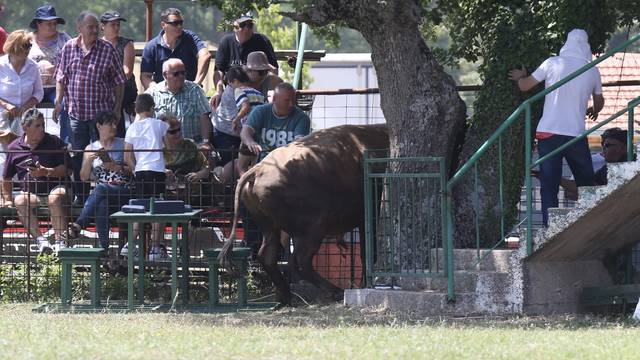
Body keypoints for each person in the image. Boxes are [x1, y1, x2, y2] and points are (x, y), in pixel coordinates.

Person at [508, 28, 604, 226]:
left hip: (548, 132)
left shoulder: (552, 63)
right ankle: (592, 224)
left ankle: (548, 228)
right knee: (587, 185)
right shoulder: (592, 70)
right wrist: (593, 109)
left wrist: (520, 77)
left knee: (549, 184)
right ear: (586, 46)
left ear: (566, 43)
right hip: (576, 135)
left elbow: (525, 86)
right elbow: (599, 102)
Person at [54, 11, 127, 204]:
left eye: (96, 26)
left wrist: (118, 108)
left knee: (103, 155)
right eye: (91, 27)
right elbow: (61, 77)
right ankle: (82, 196)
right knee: (79, 156)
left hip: (100, 116)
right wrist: (58, 102)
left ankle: (105, 196)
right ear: (80, 29)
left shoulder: (108, 49)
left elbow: (120, 81)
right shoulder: (69, 48)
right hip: (76, 114)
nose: (95, 30)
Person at [1, 108, 71, 254]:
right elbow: (6, 177)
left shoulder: (54, 141)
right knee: (19, 200)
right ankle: (41, 241)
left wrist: (45, 171)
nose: (42, 129)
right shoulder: (14, 147)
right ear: (25, 127)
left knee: (55, 197)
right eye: (37, 125)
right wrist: (7, 199)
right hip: (33, 195)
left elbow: (68, 170)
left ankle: (61, 243)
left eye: (43, 125)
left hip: (58, 188)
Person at [67, 111, 133, 250]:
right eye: (110, 124)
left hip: (124, 191)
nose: (114, 126)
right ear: (99, 126)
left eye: (115, 123)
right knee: (102, 204)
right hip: (104, 195)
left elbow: (134, 171)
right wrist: (88, 161)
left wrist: (117, 167)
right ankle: (105, 251)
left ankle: (79, 224)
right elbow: (84, 177)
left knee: (101, 188)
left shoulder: (124, 144)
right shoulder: (90, 148)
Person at [124, 94, 169, 260]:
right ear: (152, 108)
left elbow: (127, 157)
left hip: (141, 171)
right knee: (158, 209)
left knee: (141, 208)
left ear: (137, 110)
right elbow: (169, 145)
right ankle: (155, 247)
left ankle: (129, 244)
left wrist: (136, 171)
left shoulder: (132, 128)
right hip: (157, 171)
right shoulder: (160, 125)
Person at [211, 15, 278, 108]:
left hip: (258, 91)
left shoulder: (262, 40)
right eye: (243, 25)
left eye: (250, 25)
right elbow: (219, 71)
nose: (247, 29)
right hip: (233, 92)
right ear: (235, 27)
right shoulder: (226, 42)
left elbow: (273, 70)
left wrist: (271, 91)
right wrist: (218, 91)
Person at [0, 30, 44, 171]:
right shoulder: (0, 65)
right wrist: (6, 105)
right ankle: (4, 190)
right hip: (3, 118)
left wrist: (26, 106)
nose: (28, 49)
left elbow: (39, 92)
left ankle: (26, 188)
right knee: (3, 156)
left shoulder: (33, 67)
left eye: (29, 45)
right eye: (25, 45)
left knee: (26, 154)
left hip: (27, 118)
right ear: (14, 47)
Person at [27, 4, 71, 142]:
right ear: (38, 24)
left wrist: (58, 68)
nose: (53, 26)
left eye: (54, 23)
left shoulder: (65, 39)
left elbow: (74, 60)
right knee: (24, 108)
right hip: (32, 87)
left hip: (56, 88)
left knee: (66, 104)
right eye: (48, 23)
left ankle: (66, 144)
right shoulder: (27, 39)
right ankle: (27, 143)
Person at [145, 58, 212, 147]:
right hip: (162, 149)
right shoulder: (152, 93)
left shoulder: (195, 90)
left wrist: (206, 142)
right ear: (165, 75)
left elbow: (204, 117)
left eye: (183, 73)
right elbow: (143, 120)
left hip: (193, 146)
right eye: (176, 74)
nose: (181, 76)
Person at [139, 7, 211, 90]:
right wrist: (157, 90)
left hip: (190, 92)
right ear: (163, 25)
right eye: (175, 23)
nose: (179, 26)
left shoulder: (190, 38)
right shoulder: (151, 46)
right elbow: (145, 76)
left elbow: (205, 55)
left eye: (181, 22)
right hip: (163, 95)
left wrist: (196, 84)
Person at [218, 66, 266, 181]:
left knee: (241, 165)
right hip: (260, 132)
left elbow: (245, 106)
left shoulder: (239, 90)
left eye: (230, 84)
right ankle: (255, 184)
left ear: (234, 81)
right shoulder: (258, 93)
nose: (230, 87)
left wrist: (236, 119)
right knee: (255, 164)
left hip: (249, 132)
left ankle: (243, 185)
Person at [241, 82, 310, 160]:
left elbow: (299, 142)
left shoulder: (302, 118)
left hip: (288, 162)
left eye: (293, 100)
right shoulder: (260, 111)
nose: (291, 104)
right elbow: (245, 131)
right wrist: (250, 142)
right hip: (263, 162)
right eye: (287, 100)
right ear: (274, 99)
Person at [100, 10, 137, 138]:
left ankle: (122, 141)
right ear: (103, 26)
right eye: (113, 25)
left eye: (118, 25)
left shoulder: (126, 44)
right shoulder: (97, 45)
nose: (116, 28)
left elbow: (127, 71)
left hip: (125, 90)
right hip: (103, 91)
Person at [161, 114, 211, 207]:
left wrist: (199, 174)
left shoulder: (190, 145)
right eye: (172, 132)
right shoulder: (157, 150)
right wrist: (162, 172)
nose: (178, 134)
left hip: (193, 194)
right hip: (168, 196)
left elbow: (206, 167)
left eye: (179, 130)